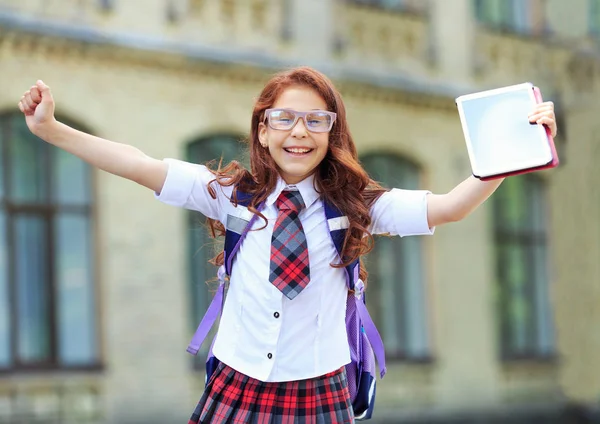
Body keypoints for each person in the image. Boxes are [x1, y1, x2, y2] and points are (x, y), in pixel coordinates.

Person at [18, 67, 557, 423]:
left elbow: (448, 207)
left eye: (316, 121)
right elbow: (139, 165)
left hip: (317, 389)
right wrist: (53, 131)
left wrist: (512, 152)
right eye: (284, 118)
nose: (300, 132)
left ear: (332, 132)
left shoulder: (355, 203)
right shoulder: (229, 195)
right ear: (263, 130)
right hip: (236, 382)